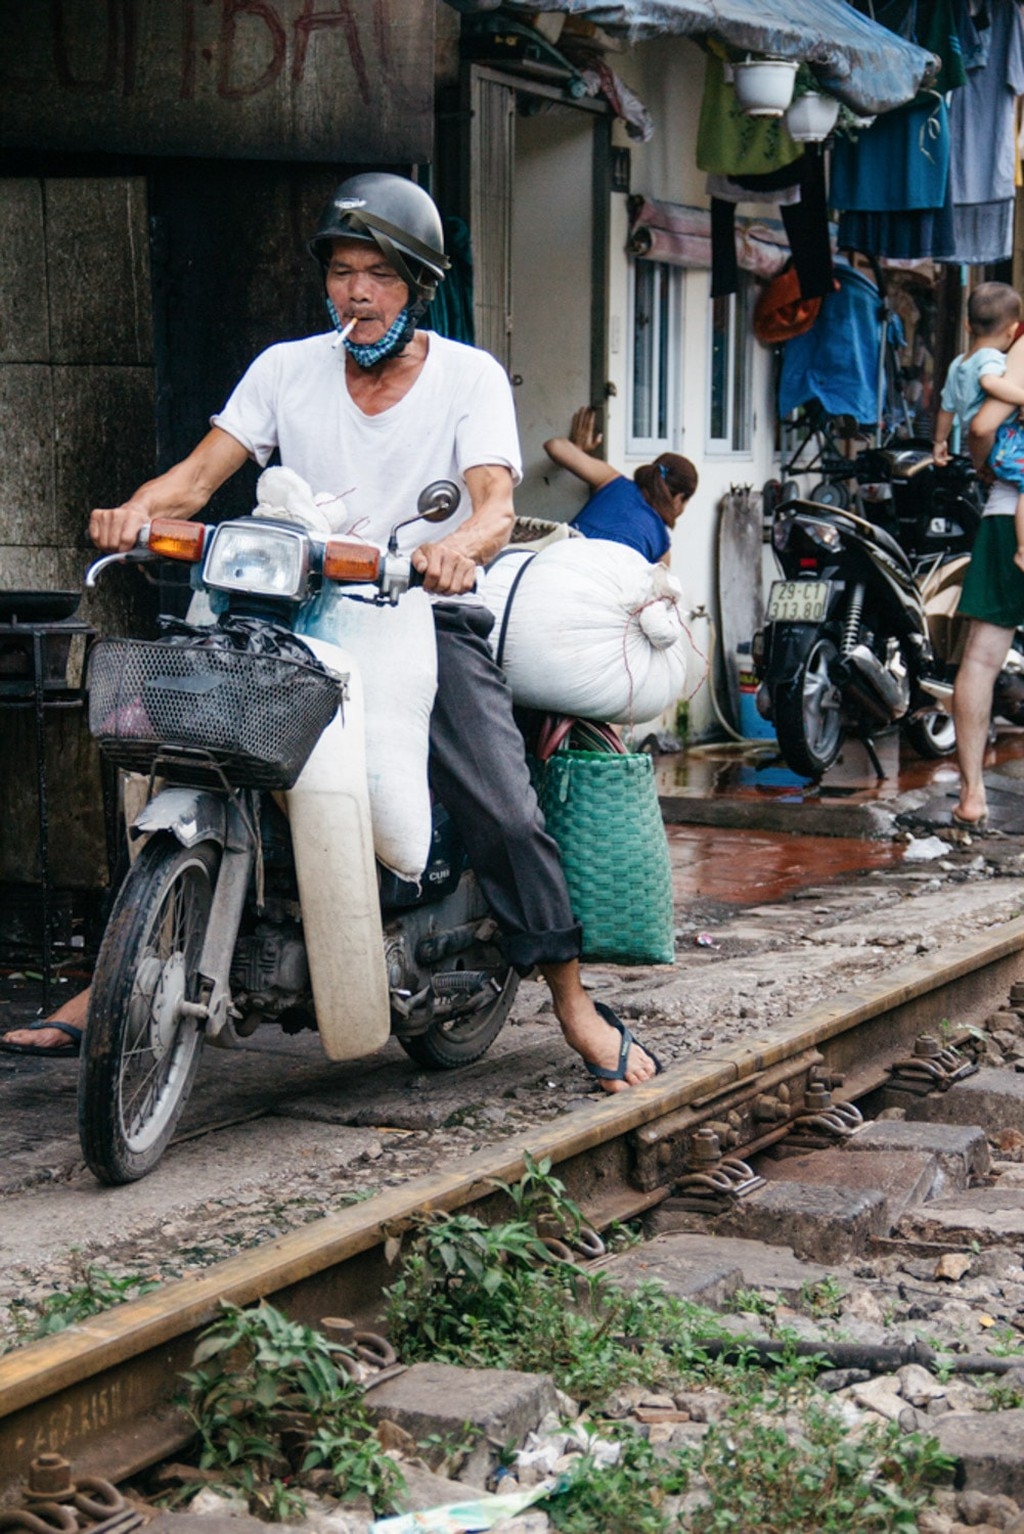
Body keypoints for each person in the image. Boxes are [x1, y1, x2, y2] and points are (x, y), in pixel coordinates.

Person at [0, 174, 660, 1092]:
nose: (356, 294)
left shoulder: (466, 377)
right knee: (159, 744)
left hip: (422, 612)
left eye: (378, 276)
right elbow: (193, 482)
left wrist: (459, 551)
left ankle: (573, 1003)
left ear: (417, 285)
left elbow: (494, 504)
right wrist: (131, 511)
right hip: (286, 607)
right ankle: (112, 976)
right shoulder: (285, 369)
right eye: (343, 273)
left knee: (504, 806)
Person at [951, 312, 1024, 829]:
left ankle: (973, 794)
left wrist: (984, 464)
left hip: (1007, 513)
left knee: (980, 660)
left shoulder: (1018, 352)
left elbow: (980, 425)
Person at [932, 281, 1024, 574]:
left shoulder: (958, 362)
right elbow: (989, 386)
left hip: (991, 446)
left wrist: (939, 442)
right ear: (1012, 330)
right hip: (1005, 440)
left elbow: (946, 408)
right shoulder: (992, 360)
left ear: (968, 326)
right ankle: (1022, 548)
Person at [543, 407, 697, 564]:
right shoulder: (661, 548)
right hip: (598, 584)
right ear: (679, 498)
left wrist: (579, 450)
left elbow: (555, 446)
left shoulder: (612, 480)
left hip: (558, 561)